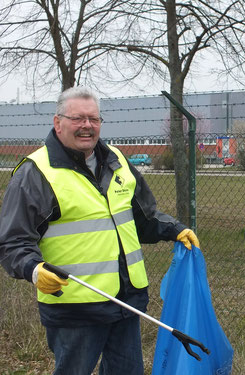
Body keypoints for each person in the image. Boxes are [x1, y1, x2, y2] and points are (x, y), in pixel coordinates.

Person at [0, 86, 199, 375]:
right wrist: (33, 269)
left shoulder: (117, 161)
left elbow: (143, 218)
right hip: (75, 308)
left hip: (126, 303)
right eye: (78, 118)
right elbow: (12, 241)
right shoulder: (36, 172)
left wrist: (174, 229)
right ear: (58, 123)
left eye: (93, 119)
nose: (87, 126)